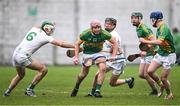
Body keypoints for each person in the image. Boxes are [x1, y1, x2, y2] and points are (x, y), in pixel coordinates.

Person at [3, 21, 74, 97]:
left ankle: (7, 92)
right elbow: (61, 44)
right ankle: (29, 90)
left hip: (15, 54)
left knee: (21, 75)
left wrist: (49, 24)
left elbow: (39, 26)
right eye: (51, 29)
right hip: (23, 56)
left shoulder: (34, 29)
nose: (52, 31)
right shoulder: (45, 37)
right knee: (43, 69)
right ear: (46, 29)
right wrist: (75, 46)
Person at [85, 18, 134, 97]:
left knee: (112, 83)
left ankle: (128, 80)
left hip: (117, 61)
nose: (106, 25)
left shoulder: (114, 35)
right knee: (97, 75)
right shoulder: (103, 33)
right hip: (109, 59)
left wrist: (111, 55)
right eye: (106, 23)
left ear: (114, 26)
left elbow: (115, 46)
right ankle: (94, 92)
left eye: (109, 24)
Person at [70, 19, 118, 97]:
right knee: (83, 74)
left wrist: (113, 55)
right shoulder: (85, 34)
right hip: (87, 54)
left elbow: (115, 42)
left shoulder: (105, 34)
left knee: (103, 68)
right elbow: (77, 44)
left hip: (98, 53)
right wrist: (76, 57)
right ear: (91, 28)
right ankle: (76, 86)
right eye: (95, 28)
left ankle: (97, 91)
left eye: (98, 27)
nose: (97, 29)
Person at [141, 11, 176, 99]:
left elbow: (160, 41)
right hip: (161, 54)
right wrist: (153, 48)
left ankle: (169, 94)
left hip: (169, 56)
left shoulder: (164, 28)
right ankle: (161, 85)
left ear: (155, 19)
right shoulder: (159, 28)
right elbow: (161, 43)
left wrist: (145, 41)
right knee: (149, 71)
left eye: (151, 19)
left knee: (163, 78)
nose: (151, 21)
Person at [131, 12, 158, 95]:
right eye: (132, 18)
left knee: (146, 74)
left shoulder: (144, 28)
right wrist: (143, 50)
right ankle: (158, 85)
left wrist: (146, 50)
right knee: (141, 74)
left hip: (151, 52)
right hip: (146, 53)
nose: (133, 20)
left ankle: (157, 88)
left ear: (140, 19)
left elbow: (154, 40)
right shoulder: (137, 27)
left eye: (136, 18)